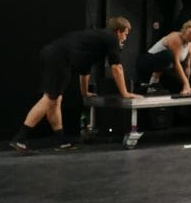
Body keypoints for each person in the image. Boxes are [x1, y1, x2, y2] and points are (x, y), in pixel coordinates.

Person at [10, 16, 141, 152]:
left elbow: (84, 71)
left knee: (55, 100)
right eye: (125, 34)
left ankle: (62, 141)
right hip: (59, 57)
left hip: (52, 54)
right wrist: (125, 93)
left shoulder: (95, 41)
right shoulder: (111, 38)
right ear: (118, 31)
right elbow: (117, 68)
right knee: (50, 98)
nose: (125, 38)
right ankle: (20, 138)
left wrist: (84, 93)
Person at [137, 17, 191, 95]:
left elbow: (187, 67)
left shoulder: (190, 47)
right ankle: (152, 85)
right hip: (145, 63)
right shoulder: (176, 37)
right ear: (186, 28)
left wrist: (186, 85)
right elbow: (176, 63)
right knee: (168, 55)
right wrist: (186, 84)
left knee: (179, 86)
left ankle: (154, 84)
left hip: (162, 70)